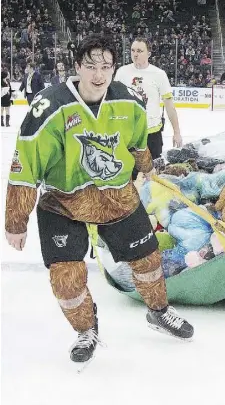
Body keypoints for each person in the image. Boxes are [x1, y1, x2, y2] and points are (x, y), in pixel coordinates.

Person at [4, 34, 194, 364]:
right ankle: (85, 329)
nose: (98, 74)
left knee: (148, 260)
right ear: (77, 67)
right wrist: (15, 221)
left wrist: (147, 167)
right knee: (66, 276)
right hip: (63, 202)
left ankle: (159, 312)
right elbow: (24, 170)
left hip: (117, 196)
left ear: (113, 69)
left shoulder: (128, 101)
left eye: (106, 67)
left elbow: (137, 143)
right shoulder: (48, 108)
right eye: (91, 66)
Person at [114, 38, 183, 176]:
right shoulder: (122, 72)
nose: (135, 54)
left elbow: (169, 105)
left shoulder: (159, 74)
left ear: (149, 53)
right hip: (129, 135)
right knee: (129, 176)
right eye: (133, 50)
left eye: (140, 51)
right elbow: (114, 103)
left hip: (152, 133)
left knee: (152, 176)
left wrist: (176, 131)